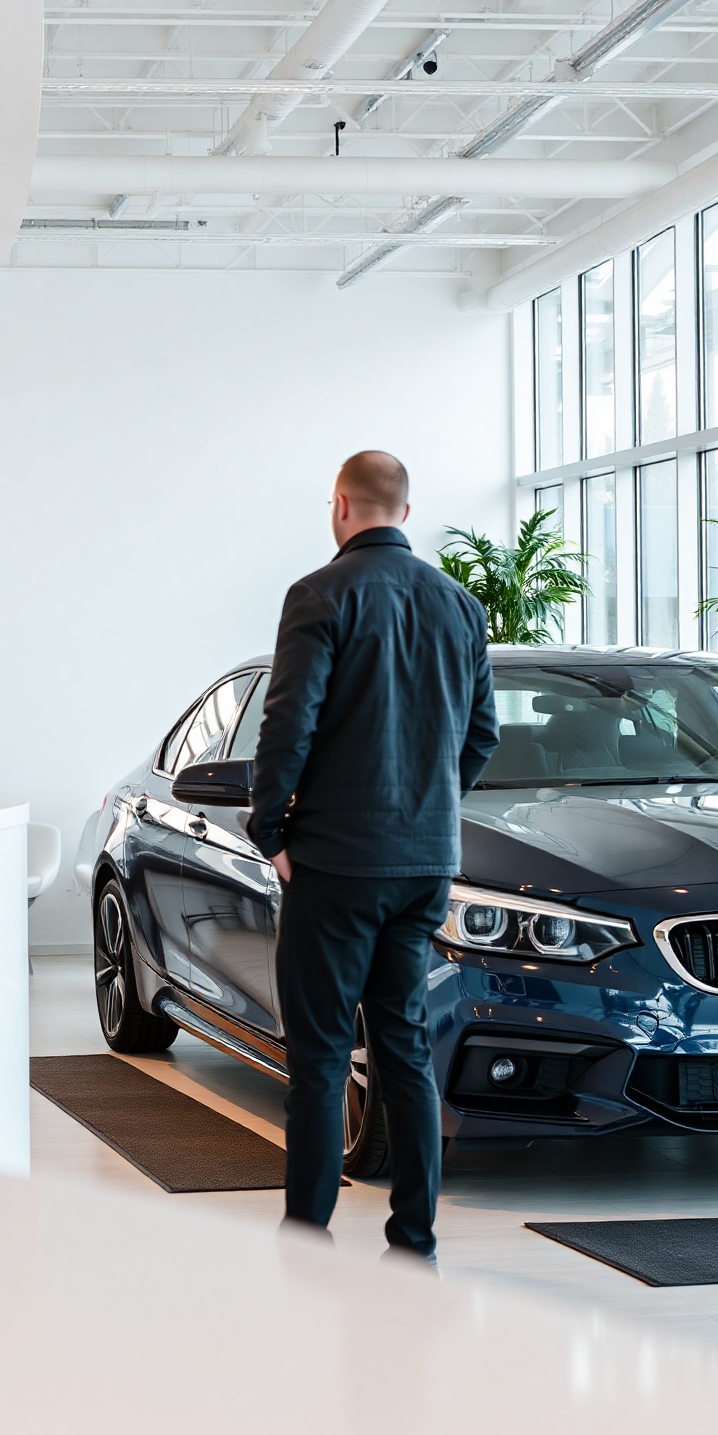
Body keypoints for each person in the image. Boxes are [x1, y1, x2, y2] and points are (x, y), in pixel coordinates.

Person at [246, 450, 497, 1265]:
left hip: (335, 864)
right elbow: (482, 734)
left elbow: (289, 725)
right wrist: (428, 812)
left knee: (318, 1057)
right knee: (405, 1047)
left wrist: (271, 832)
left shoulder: (320, 594)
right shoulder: (460, 605)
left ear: (342, 506)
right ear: (407, 511)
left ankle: (307, 1239)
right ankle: (413, 1242)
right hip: (425, 863)